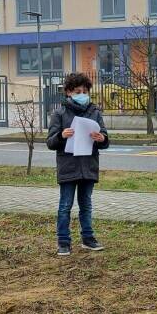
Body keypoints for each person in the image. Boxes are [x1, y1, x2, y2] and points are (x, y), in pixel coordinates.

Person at [47, 72, 110, 256]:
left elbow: (105, 140)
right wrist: (61, 136)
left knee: (86, 204)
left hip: (88, 166)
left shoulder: (95, 112)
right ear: (68, 92)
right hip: (68, 167)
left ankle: (88, 238)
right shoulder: (59, 113)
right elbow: (50, 142)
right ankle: (63, 241)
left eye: (84, 91)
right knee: (65, 205)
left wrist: (101, 138)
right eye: (77, 91)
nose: (81, 94)